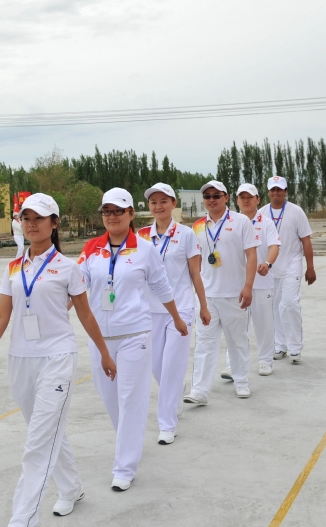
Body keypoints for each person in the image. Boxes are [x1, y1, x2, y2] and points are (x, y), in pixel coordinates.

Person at [0, 193, 116, 523]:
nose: (32, 223)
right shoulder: (12, 267)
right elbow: (0, 317)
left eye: (39, 217)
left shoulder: (69, 268)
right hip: (20, 359)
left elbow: (86, 315)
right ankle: (71, 487)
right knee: (47, 431)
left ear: (54, 223)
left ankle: (22, 518)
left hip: (57, 357)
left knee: (37, 442)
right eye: (26, 218)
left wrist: (104, 353)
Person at [78, 187, 185, 491]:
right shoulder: (91, 248)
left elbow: (162, 287)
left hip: (135, 334)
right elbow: (77, 284)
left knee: (131, 400)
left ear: (130, 214)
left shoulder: (144, 248)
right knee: (111, 400)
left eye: (118, 211)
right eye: (106, 212)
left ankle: (124, 467)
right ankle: (130, 441)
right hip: (99, 337)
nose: (111, 217)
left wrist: (177, 318)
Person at [138, 183, 208, 445]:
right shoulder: (140, 235)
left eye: (163, 201)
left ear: (173, 203)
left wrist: (203, 305)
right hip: (150, 311)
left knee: (171, 367)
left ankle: (167, 424)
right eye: (153, 202)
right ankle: (176, 389)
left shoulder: (187, 234)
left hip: (181, 309)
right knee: (157, 366)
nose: (158, 206)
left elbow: (195, 273)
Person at [184, 181, 257, 404]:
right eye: (207, 196)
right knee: (205, 344)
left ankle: (242, 381)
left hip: (234, 294)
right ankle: (200, 391)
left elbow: (252, 255)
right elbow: (194, 263)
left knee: (237, 341)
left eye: (216, 195)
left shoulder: (241, 221)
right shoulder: (196, 226)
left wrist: (248, 286)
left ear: (226, 197)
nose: (212, 199)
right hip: (207, 297)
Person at [221, 184, 281, 378]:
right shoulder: (229, 222)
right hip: (236, 284)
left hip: (261, 283)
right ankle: (232, 365)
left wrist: (268, 263)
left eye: (250, 197)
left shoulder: (266, 223)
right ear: (236, 200)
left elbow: (274, 247)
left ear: (258, 199)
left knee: (263, 324)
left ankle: (265, 360)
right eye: (242, 197)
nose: (246, 200)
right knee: (235, 326)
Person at [260, 176, 315, 364]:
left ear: (286, 191)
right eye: (273, 190)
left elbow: (306, 241)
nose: (276, 193)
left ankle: (295, 347)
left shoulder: (296, 212)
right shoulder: (261, 213)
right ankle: (280, 345)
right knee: (273, 308)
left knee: (289, 303)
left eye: (280, 190)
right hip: (270, 267)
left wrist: (310, 267)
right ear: (268, 192)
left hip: (291, 264)